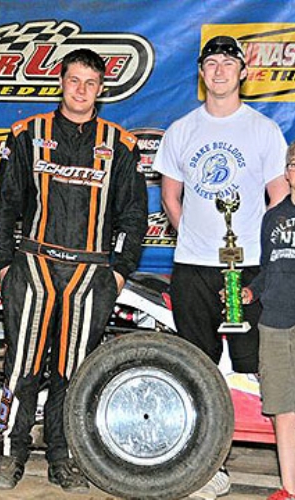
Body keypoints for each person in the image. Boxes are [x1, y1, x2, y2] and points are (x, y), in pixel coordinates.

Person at [0, 48, 148, 492]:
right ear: (61, 81)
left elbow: (133, 215)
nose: (81, 90)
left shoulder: (120, 144)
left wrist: (118, 272)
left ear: (101, 89)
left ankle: (63, 456)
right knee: (21, 365)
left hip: (89, 275)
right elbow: (5, 204)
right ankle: (10, 454)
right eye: (74, 80)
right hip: (34, 266)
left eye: (90, 83)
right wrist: (4, 264)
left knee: (72, 371)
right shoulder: (28, 134)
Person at [153, 35, 289, 499]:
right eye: (210, 63)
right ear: (201, 72)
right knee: (196, 369)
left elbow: (279, 199)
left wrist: (267, 258)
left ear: (243, 71)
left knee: (256, 369)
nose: (219, 71)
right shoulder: (182, 130)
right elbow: (170, 195)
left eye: (227, 62)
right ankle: (203, 468)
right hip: (193, 266)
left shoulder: (263, 131)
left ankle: (284, 471)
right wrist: (191, 234)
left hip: (249, 267)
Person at [242, 142, 295, 500]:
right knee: (282, 409)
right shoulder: (273, 217)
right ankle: (290, 488)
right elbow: (266, 269)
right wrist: (249, 292)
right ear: (288, 172)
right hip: (275, 324)